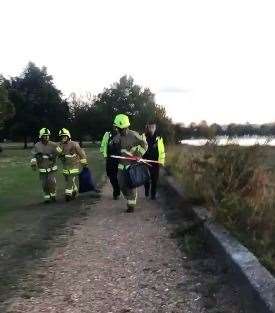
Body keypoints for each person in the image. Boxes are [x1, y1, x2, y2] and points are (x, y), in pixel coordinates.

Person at [111, 114, 148, 212]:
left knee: (131, 184)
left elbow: (144, 144)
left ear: (123, 127)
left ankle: (131, 204)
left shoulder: (134, 135)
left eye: (117, 127)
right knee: (122, 185)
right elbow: (112, 148)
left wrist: (138, 154)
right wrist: (114, 145)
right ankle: (129, 198)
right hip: (120, 165)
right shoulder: (117, 137)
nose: (116, 129)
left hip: (131, 165)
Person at [58, 128, 88, 201]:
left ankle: (68, 194)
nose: (63, 138)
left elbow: (81, 154)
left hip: (74, 165)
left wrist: (84, 164)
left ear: (68, 136)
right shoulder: (60, 145)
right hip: (65, 166)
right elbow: (57, 153)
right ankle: (74, 190)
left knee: (70, 180)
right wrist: (59, 154)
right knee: (68, 179)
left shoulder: (74, 144)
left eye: (65, 136)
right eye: (62, 137)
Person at [30, 128, 59, 203]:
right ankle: (47, 197)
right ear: (41, 136)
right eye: (44, 136)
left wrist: (53, 155)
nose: (46, 137)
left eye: (47, 136)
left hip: (51, 167)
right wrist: (33, 164)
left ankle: (53, 195)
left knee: (51, 181)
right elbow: (33, 155)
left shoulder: (54, 144)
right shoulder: (37, 145)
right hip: (42, 167)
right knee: (44, 184)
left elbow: (60, 152)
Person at [143, 122, 165, 200]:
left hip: (156, 162)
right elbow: (140, 148)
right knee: (146, 179)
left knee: (155, 179)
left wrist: (162, 161)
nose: (152, 128)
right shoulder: (144, 137)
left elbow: (162, 151)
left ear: (155, 128)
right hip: (146, 161)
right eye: (150, 127)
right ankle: (146, 190)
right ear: (148, 128)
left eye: (153, 127)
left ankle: (153, 195)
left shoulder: (159, 138)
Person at [100, 126, 121, 199]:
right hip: (110, 159)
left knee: (119, 176)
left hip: (120, 160)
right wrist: (104, 154)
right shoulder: (107, 134)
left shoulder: (122, 135)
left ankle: (116, 192)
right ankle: (116, 189)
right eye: (114, 126)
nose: (115, 128)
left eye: (117, 126)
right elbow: (103, 145)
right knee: (111, 175)